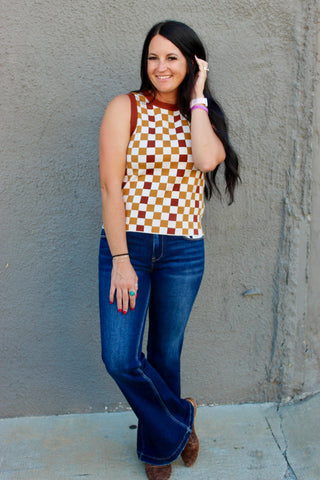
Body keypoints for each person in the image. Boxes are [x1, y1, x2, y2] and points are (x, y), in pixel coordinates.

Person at [98, 20, 240, 480]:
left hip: (182, 251)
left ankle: (158, 452)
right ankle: (181, 419)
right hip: (130, 246)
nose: (160, 67)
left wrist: (198, 96)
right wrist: (121, 259)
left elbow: (205, 160)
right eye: (153, 57)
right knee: (120, 357)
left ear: (192, 64)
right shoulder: (126, 107)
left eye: (172, 58)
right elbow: (109, 188)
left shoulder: (202, 117)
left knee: (165, 351)